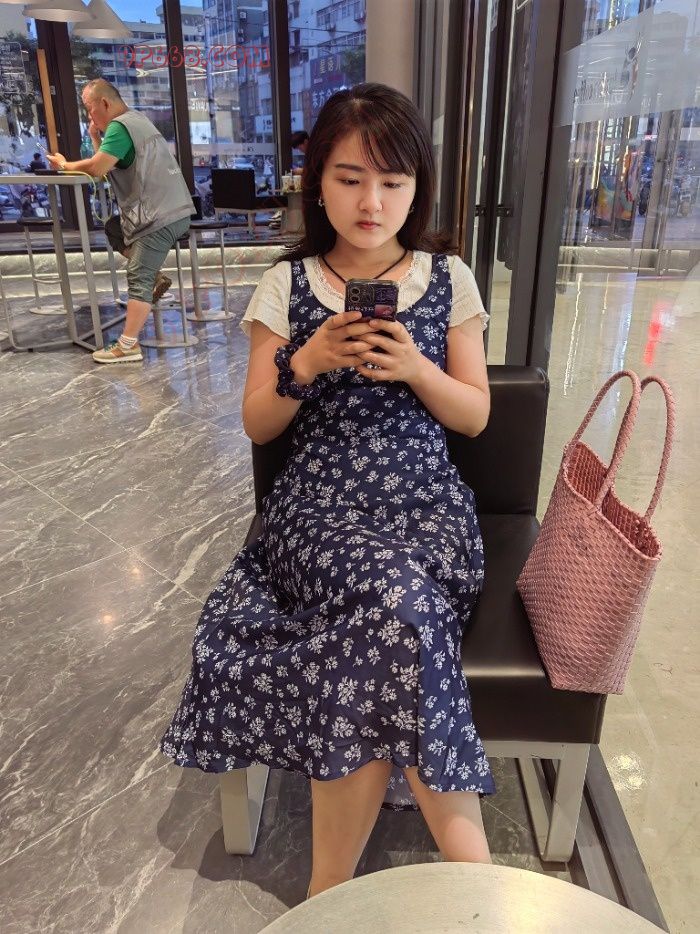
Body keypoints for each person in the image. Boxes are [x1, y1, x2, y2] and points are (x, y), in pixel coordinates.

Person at [160, 83, 494, 898]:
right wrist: (305, 363)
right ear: (318, 185)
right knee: (398, 607)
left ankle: (328, 894)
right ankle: (478, 884)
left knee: (385, 611)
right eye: (349, 179)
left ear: (417, 187)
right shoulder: (288, 282)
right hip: (318, 508)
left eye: (392, 181)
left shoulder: (448, 277)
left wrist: (415, 368)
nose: (371, 202)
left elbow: (476, 415)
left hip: (426, 504)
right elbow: (258, 425)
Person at [47, 79, 194, 364]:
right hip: (171, 209)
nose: (89, 115)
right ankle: (154, 275)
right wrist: (96, 137)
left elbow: (97, 167)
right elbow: (106, 166)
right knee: (114, 228)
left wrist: (64, 165)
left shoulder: (120, 126)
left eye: (89, 108)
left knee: (138, 275)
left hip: (160, 215)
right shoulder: (135, 121)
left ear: (104, 103)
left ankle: (128, 345)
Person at [269, 129, 309, 229]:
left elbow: (317, 169)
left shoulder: (315, 152)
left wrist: (302, 171)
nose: (300, 150)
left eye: (299, 147)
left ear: (305, 141)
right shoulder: (310, 154)